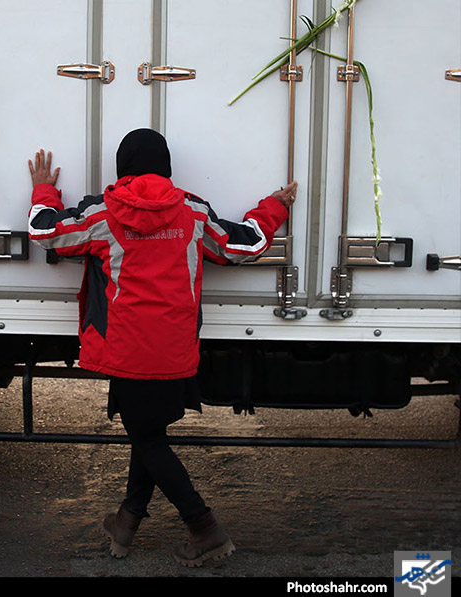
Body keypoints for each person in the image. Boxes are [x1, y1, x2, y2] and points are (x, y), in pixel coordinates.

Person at [26, 128, 296, 566]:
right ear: (165, 165)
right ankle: (126, 523)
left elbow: (45, 233)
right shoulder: (191, 211)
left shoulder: (102, 213)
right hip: (175, 352)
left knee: (148, 441)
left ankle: (204, 528)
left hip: (128, 352)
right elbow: (242, 245)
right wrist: (274, 207)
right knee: (148, 434)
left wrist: (44, 189)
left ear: (123, 166)